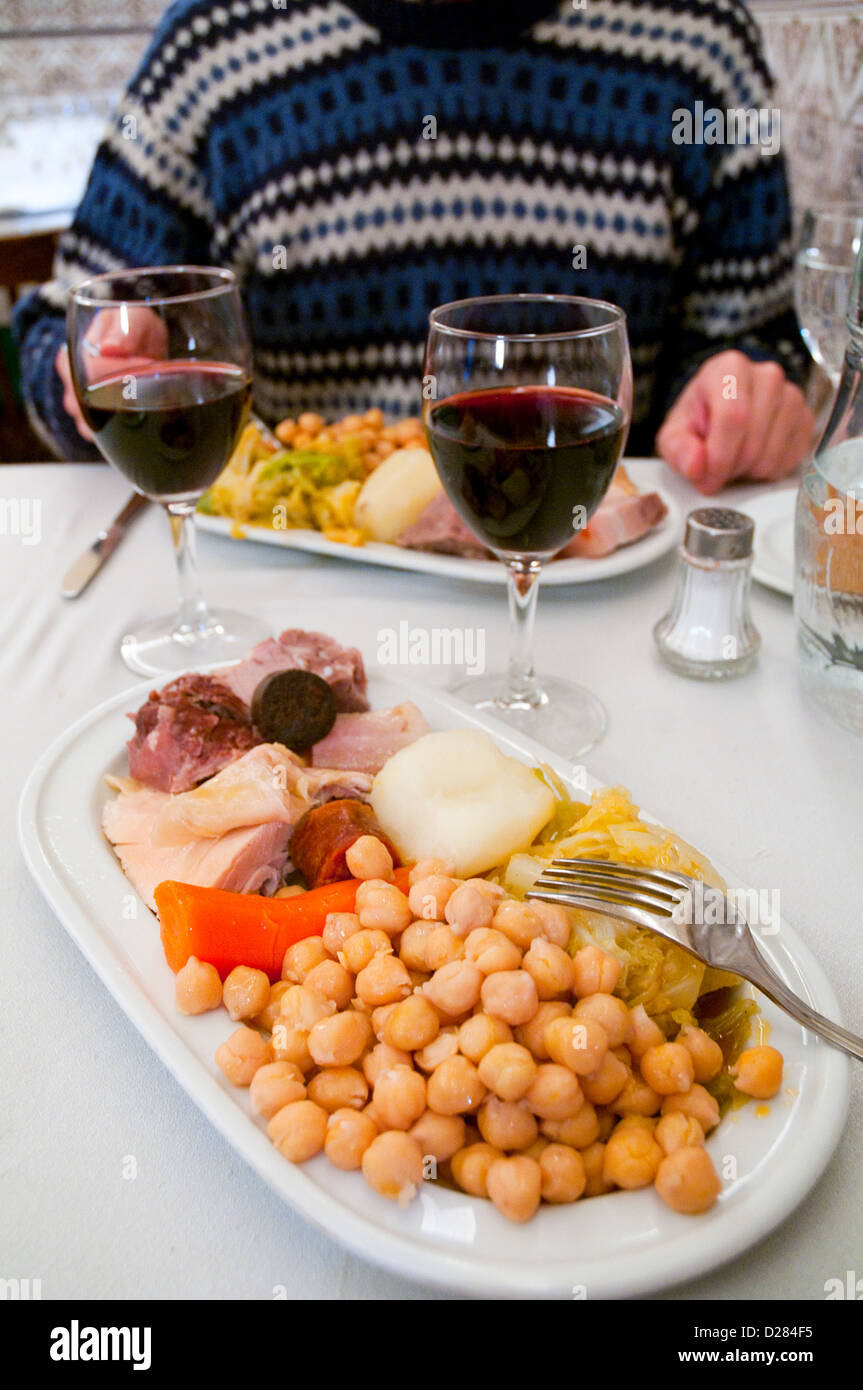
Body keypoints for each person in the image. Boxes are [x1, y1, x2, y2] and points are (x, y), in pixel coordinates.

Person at [14, 0, 814, 494]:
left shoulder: (702, 43)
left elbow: (757, 343)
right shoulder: (212, 40)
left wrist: (742, 396)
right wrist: (91, 374)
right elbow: (56, 332)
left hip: (590, 590)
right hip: (290, 593)